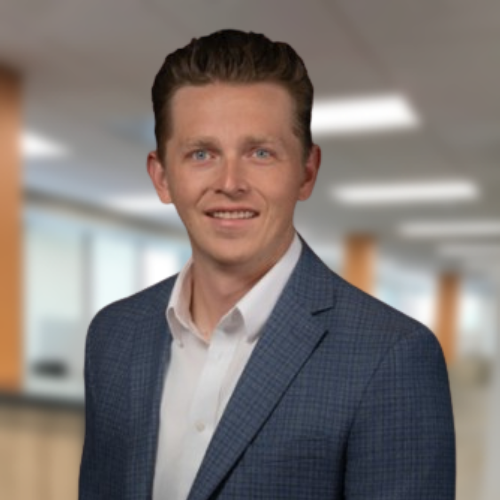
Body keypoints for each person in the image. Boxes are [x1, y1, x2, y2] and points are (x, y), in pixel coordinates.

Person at [79, 30, 455, 500]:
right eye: (201, 154)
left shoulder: (392, 357)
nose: (230, 182)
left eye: (260, 153)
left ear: (306, 172)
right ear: (162, 177)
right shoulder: (114, 336)